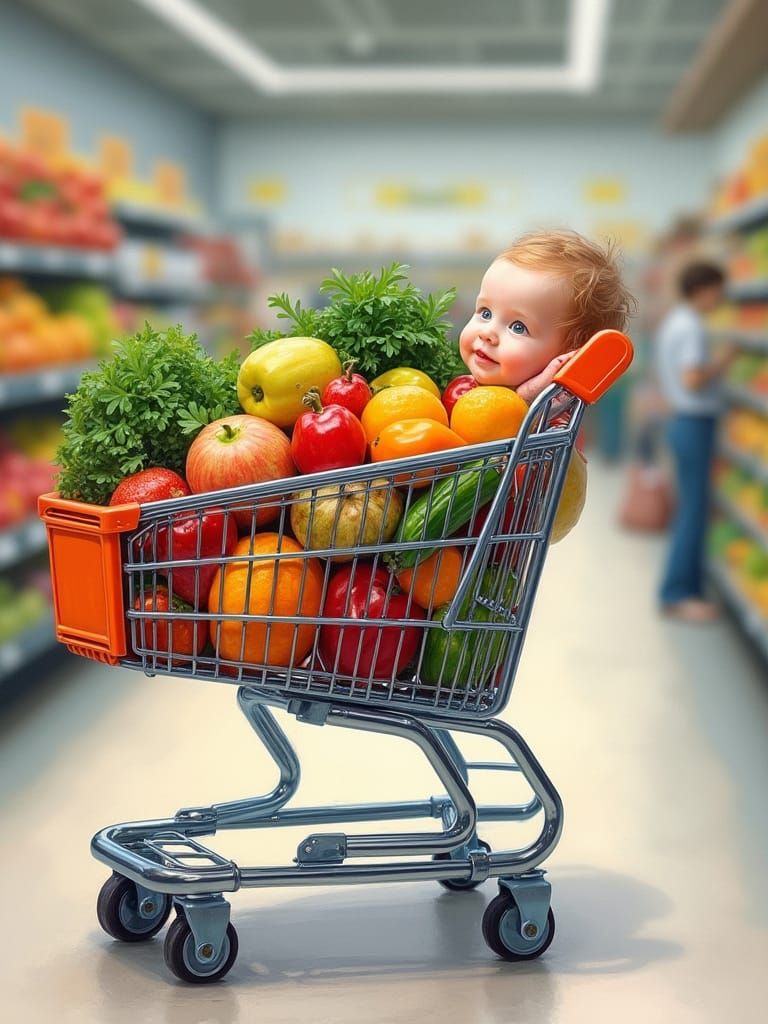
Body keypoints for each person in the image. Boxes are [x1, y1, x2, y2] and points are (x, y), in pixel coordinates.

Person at [459, 228, 634, 402]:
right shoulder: (463, 385)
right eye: (486, 313)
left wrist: (528, 397)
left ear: (570, 356)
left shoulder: (552, 417)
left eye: (518, 328)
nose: (487, 333)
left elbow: (504, 427)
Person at [656, 261, 731, 623]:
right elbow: (693, 380)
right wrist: (723, 361)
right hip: (694, 422)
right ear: (703, 289)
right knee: (693, 511)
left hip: (684, 422)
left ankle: (688, 589)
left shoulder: (675, 321)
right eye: (717, 290)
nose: (720, 298)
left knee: (692, 507)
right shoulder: (691, 327)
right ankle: (679, 593)